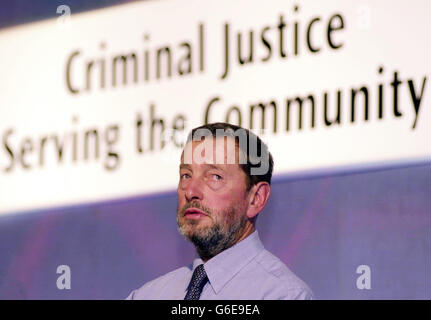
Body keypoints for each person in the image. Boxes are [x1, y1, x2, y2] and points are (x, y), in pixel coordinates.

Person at [127, 122, 313, 300]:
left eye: (215, 176)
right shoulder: (146, 296)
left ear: (256, 199)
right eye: (186, 175)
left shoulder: (284, 295)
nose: (191, 191)